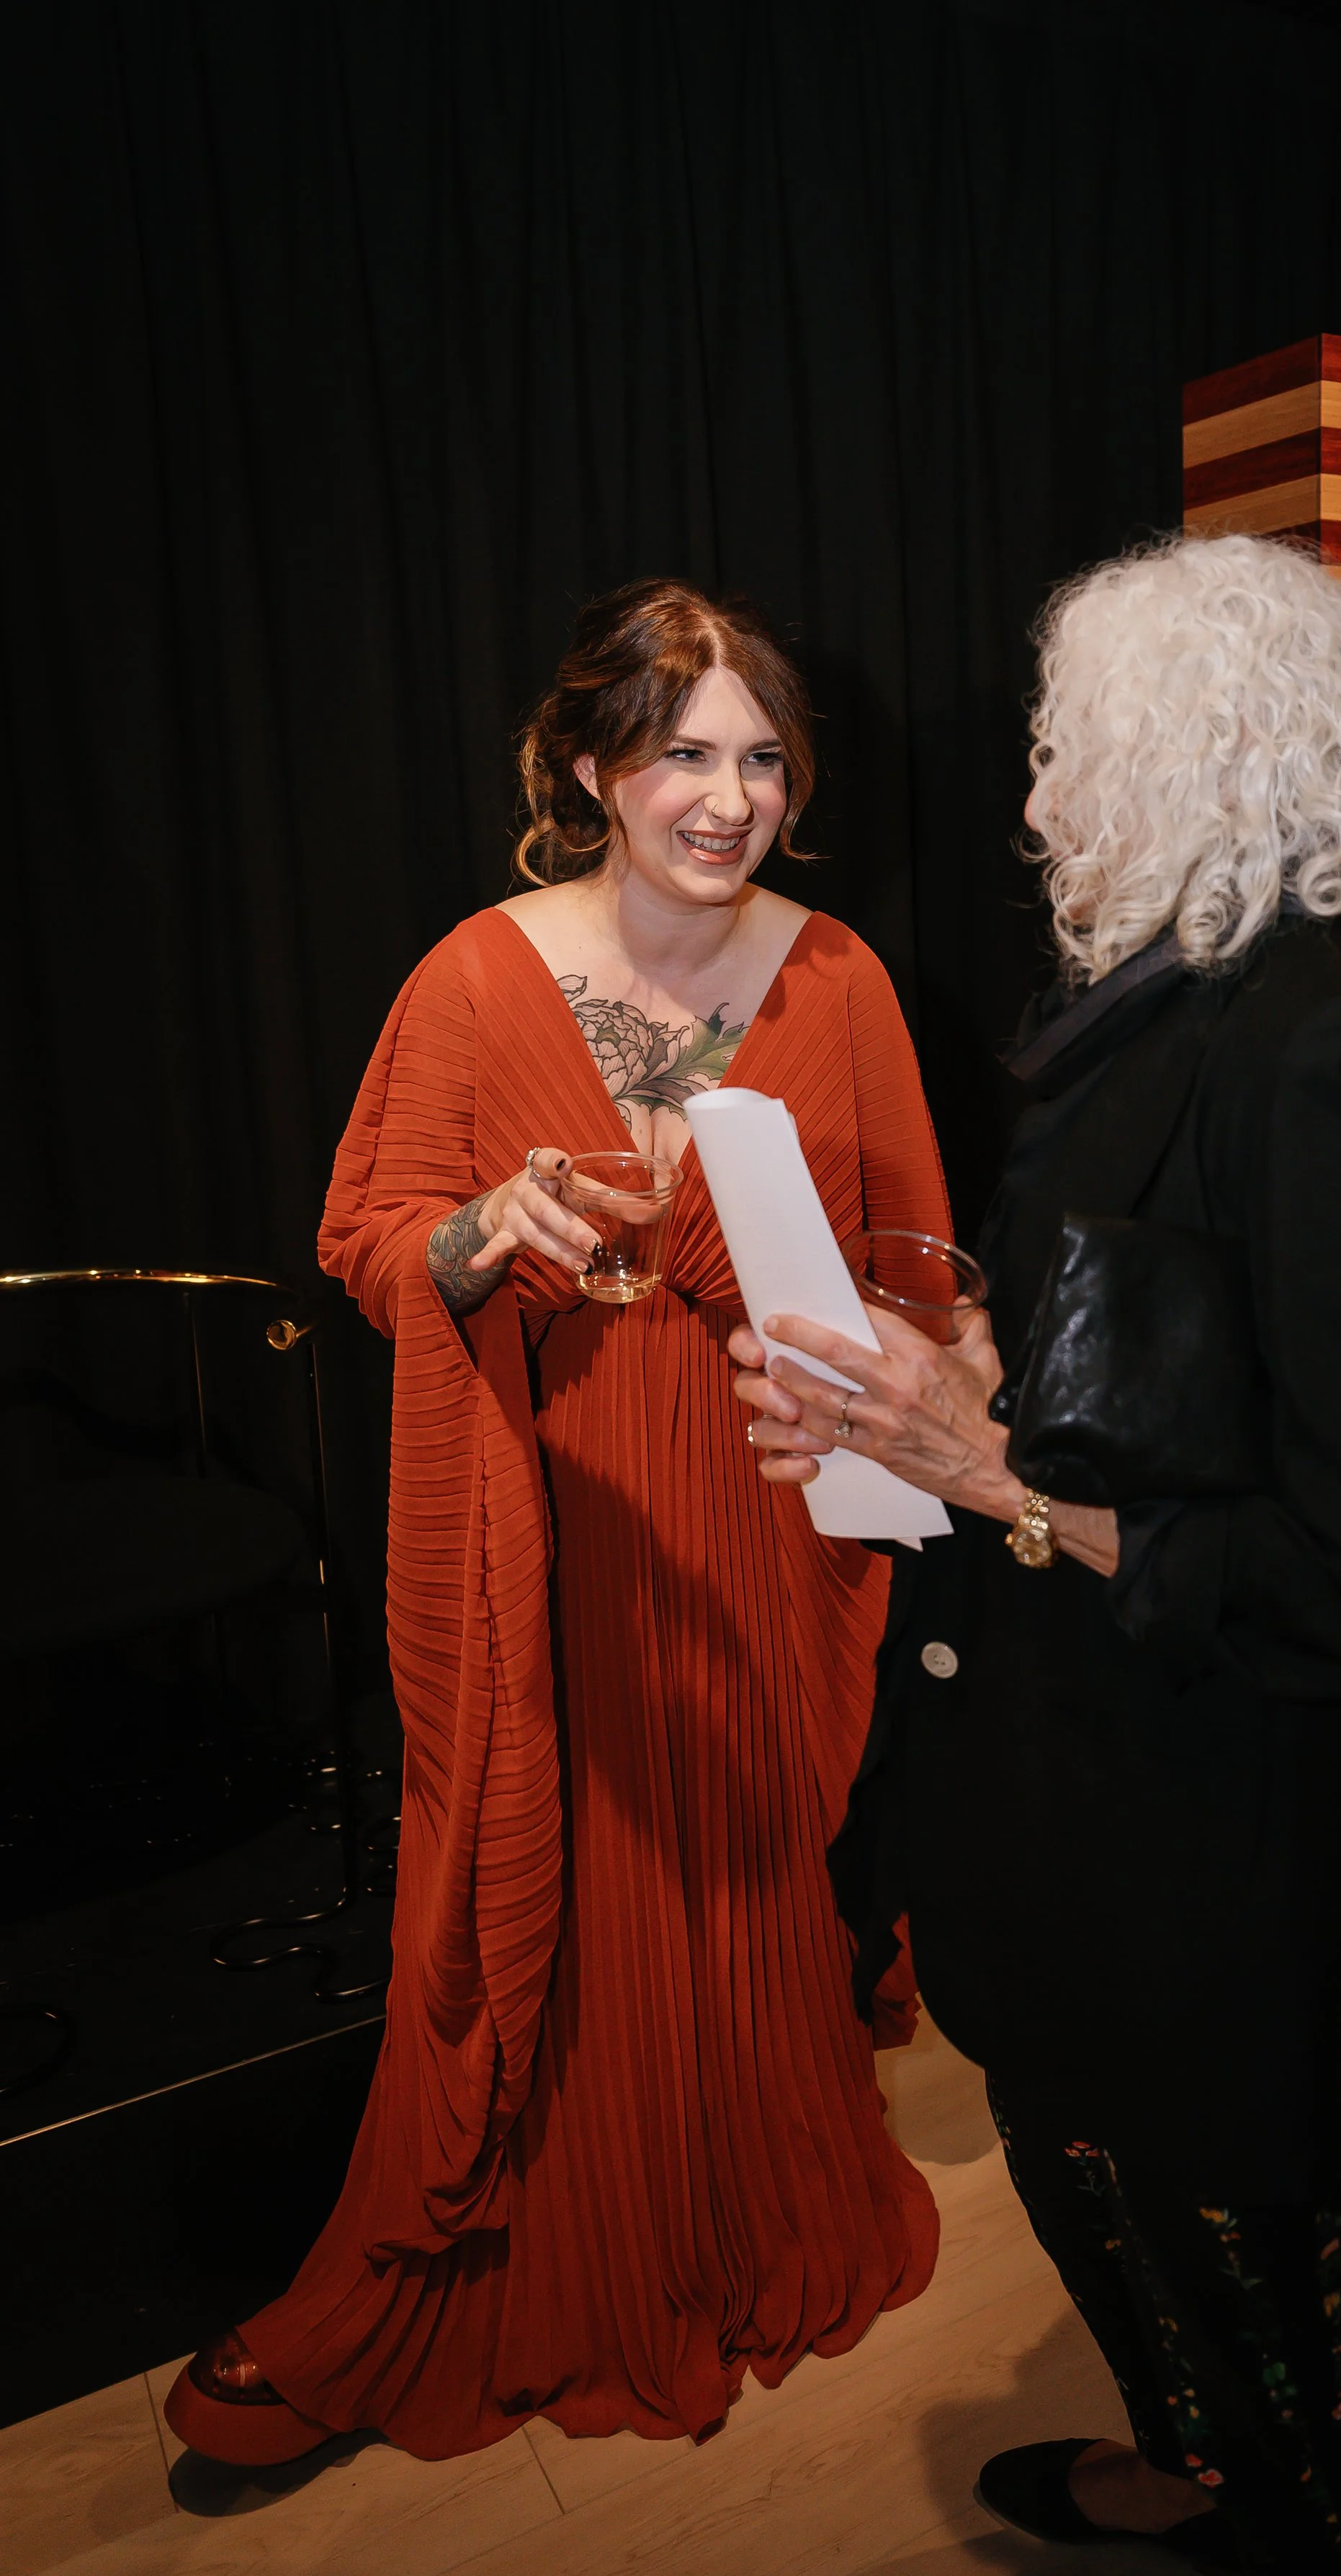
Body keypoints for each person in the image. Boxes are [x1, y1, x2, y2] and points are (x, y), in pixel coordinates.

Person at [734, 534, 1341, 2576]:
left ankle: (1306, 2536)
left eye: (1061, 745)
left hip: (1205, 1843)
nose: (1031, 795)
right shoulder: (1145, 1002)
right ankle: (1193, 2471)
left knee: (1281, 2329)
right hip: (1061, 1803)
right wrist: (936, 1388)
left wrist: (987, 1469)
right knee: (1099, 2206)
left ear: (1198, 751)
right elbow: (1143, 1360)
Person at [165, 580, 948, 2465]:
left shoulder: (837, 977)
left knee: (737, 1868)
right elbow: (372, 1243)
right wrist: (474, 1235)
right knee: (539, 1880)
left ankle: (736, 2200)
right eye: (685, 748)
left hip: (761, 1510)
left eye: (763, 756)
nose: (729, 794)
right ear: (594, 763)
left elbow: (914, 1263)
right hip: (553, 1521)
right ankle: (469, 2241)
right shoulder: (473, 972)